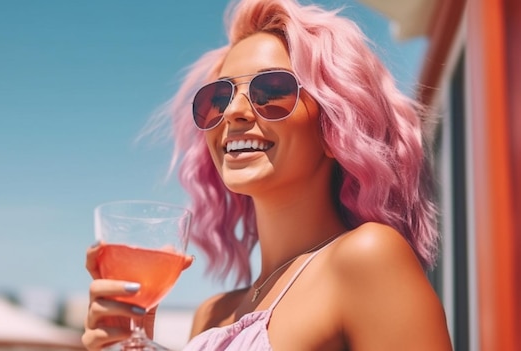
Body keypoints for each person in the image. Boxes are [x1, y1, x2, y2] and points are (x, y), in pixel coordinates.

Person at [83, 0, 453, 349]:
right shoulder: (211, 316)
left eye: (271, 90)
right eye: (217, 98)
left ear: (335, 125)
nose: (233, 113)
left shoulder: (366, 258)